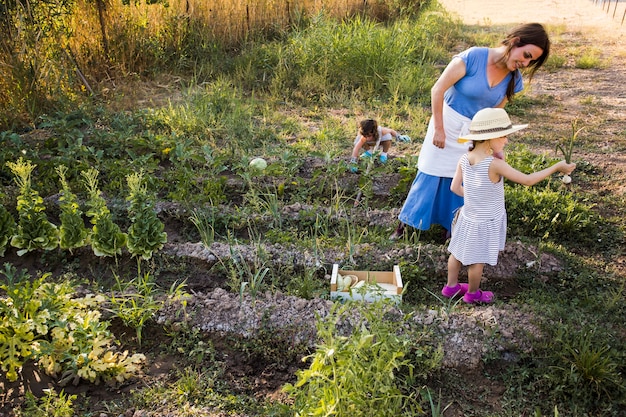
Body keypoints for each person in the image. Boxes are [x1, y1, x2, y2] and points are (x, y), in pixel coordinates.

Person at [390, 23, 551, 240]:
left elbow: (494, 116)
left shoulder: (514, 79)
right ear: (515, 42)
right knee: (430, 172)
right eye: (526, 55)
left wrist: (494, 148)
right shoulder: (473, 57)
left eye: (530, 61)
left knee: (465, 177)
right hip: (445, 124)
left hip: (474, 134)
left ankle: (453, 227)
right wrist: (439, 129)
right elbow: (437, 89)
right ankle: (406, 226)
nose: (525, 62)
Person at [441, 108, 576, 303]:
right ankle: (472, 294)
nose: (506, 141)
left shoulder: (464, 159)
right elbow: (528, 180)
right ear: (489, 137)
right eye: (503, 136)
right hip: (485, 222)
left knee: (457, 253)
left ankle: (451, 287)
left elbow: (455, 187)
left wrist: (473, 198)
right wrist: (556, 167)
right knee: (476, 261)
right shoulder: (494, 165)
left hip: (467, 217)